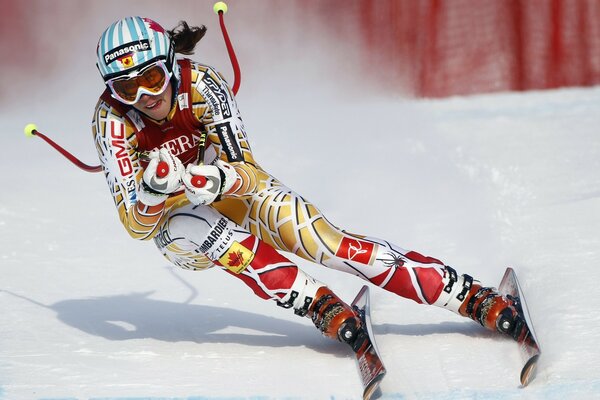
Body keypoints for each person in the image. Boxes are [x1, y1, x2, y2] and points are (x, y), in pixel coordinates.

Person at [92, 16, 526, 352]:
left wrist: (221, 176)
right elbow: (136, 226)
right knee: (207, 229)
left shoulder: (202, 83)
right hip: (179, 228)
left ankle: (469, 296)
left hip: (229, 189)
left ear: (171, 64)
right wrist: (151, 192)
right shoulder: (111, 120)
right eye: (126, 87)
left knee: (328, 243)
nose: (143, 96)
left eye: (151, 78)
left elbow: (250, 172)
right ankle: (317, 304)